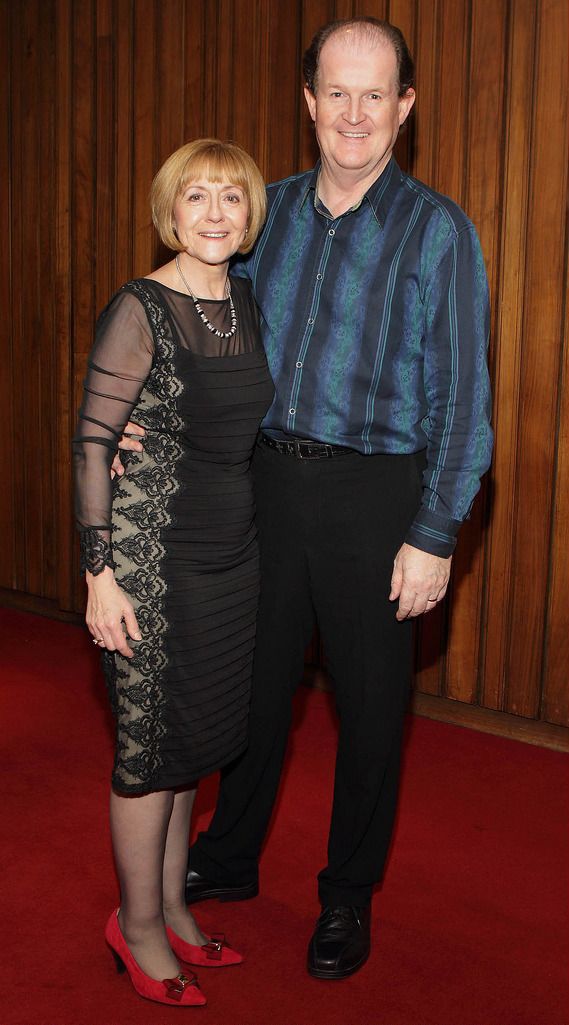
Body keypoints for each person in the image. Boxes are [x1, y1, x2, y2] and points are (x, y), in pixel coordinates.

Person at [120, 16, 493, 982]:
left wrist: (434, 531)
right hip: (259, 484)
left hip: (378, 494)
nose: (355, 114)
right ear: (308, 102)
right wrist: (133, 417)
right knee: (250, 691)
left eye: (377, 95)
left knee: (370, 709)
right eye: (337, 92)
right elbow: (190, 323)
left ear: (405, 108)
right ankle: (231, 855)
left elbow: (463, 396)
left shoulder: (438, 230)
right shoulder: (262, 213)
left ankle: (345, 896)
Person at [72, 138, 273, 1007]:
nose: (215, 214)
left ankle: (174, 905)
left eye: (231, 198)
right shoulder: (140, 306)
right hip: (152, 555)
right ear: (170, 210)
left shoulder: (247, 302)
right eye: (196, 197)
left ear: (249, 213)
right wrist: (99, 575)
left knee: (195, 740)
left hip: (232, 556)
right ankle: (137, 924)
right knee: (149, 749)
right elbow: (90, 443)